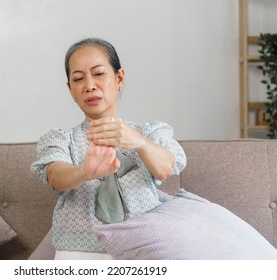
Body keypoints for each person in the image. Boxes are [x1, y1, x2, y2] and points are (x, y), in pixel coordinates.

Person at [30, 38, 187, 260]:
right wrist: (84, 171)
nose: (90, 85)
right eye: (78, 79)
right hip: (78, 254)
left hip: (144, 249)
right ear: (71, 90)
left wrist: (140, 142)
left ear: (119, 77)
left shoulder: (150, 133)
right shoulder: (60, 139)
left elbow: (166, 168)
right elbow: (55, 176)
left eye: (99, 73)